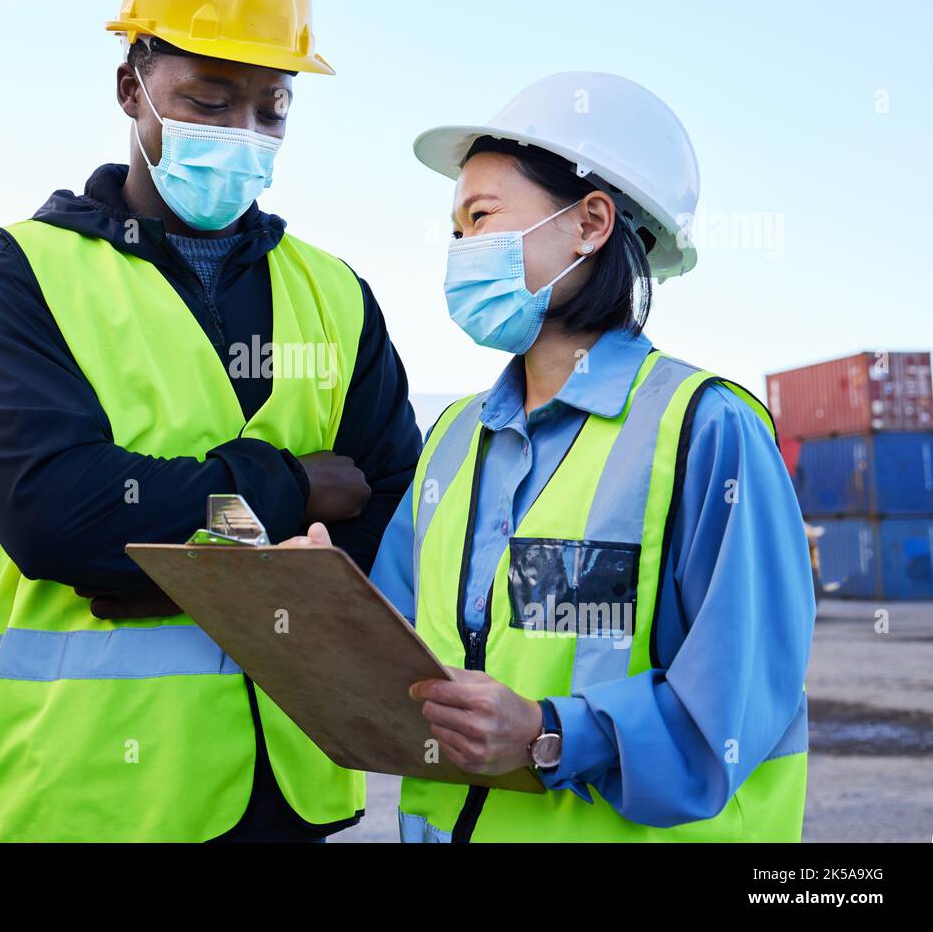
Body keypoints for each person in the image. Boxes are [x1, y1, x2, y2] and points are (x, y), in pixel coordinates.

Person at [0, 0, 420, 842]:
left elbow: (393, 518)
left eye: (272, 107)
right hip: (94, 796)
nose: (244, 132)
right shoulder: (22, 275)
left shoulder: (335, 293)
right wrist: (290, 489)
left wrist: (169, 572)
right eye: (209, 100)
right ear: (132, 88)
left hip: (291, 789)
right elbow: (60, 515)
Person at [285, 71, 815, 842]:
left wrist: (547, 731)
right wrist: (323, 607)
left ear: (592, 223)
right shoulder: (456, 440)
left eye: (483, 217)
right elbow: (407, 657)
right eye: (456, 232)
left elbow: (732, 710)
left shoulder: (707, 430)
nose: (462, 251)